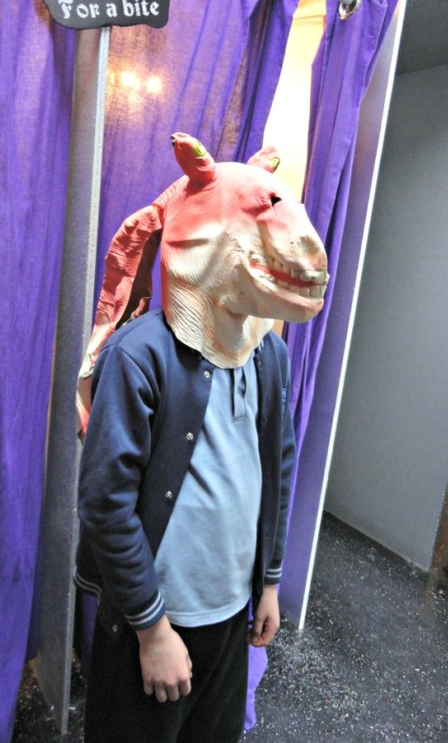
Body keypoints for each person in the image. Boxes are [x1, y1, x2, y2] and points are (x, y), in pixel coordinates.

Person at [74, 134, 328, 742]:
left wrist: (269, 582)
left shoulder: (268, 354)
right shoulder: (140, 357)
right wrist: (152, 629)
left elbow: (277, 468)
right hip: (155, 623)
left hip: (230, 613)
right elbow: (105, 503)